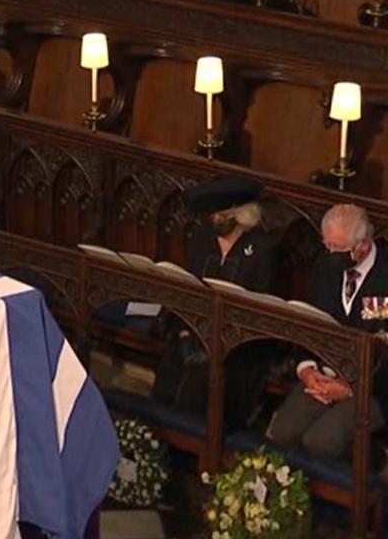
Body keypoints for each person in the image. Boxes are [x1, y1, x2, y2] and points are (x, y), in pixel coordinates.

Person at [151, 176, 280, 427]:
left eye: (222, 215)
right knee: (171, 367)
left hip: (234, 342)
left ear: (241, 215)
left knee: (201, 382)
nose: (215, 220)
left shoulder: (263, 249)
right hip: (195, 329)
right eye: (213, 215)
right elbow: (189, 287)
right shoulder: (202, 238)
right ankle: (157, 439)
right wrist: (187, 327)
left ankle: (190, 446)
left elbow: (261, 304)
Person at [267, 204, 388, 459]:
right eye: (328, 246)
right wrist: (307, 370)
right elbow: (309, 322)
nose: (331, 254)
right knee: (282, 432)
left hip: (373, 388)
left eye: (339, 248)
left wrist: (352, 388)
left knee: (320, 441)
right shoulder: (325, 266)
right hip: (322, 377)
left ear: (363, 245)